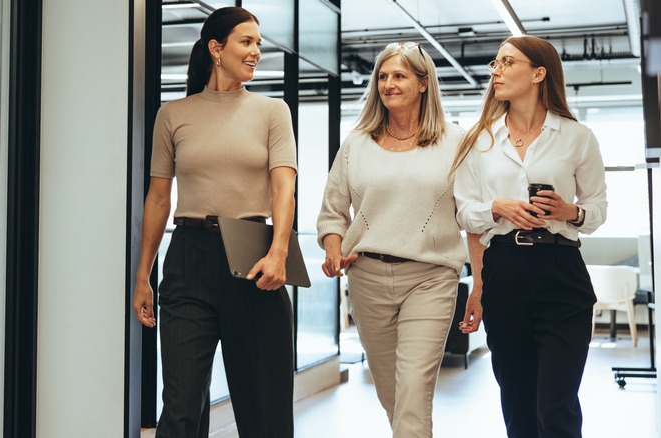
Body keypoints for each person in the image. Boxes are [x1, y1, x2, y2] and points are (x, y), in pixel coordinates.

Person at [131, 7, 297, 438]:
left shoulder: (272, 111)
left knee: (265, 411)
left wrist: (279, 252)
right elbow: (158, 198)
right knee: (180, 407)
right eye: (247, 41)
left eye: (259, 43)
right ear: (216, 49)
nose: (256, 51)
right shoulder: (173, 114)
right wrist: (143, 275)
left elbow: (284, 189)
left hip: (254, 260)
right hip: (189, 260)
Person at [452, 35, 608, 438]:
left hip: (561, 271)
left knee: (556, 407)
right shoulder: (479, 140)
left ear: (539, 74)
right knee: (518, 404)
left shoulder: (577, 136)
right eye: (495, 64)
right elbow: (464, 212)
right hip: (504, 270)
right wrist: (497, 207)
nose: (496, 71)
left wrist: (569, 212)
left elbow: (597, 209)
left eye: (508, 62)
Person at [317, 41, 466, 437]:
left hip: (431, 278)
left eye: (399, 75)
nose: (388, 84)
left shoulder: (454, 141)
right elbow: (332, 212)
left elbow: (473, 215)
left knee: (413, 390)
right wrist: (333, 249)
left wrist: (482, 283)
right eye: (382, 76)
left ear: (423, 83)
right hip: (367, 278)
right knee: (392, 394)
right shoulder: (356, 144)